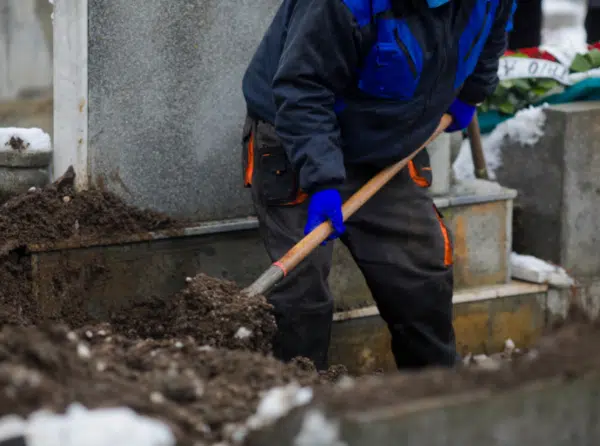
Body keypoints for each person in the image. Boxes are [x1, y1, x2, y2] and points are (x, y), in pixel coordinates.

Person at [241, 0, 514, 371]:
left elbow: (491, 30)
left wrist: (473, 90)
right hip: (299, 140)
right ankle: (300, 406)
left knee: (419, 272)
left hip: (389, 146)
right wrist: (322, 180)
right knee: (301, 299)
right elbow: (303, 88)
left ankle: (434, 395)